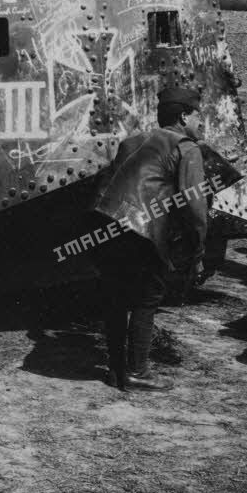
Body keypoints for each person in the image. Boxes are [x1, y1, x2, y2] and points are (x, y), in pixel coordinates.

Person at [93, 87, 209, 391]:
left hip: (105, 223)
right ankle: (138, 372)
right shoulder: (187, 148)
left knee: (117, 297)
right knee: (147, 298)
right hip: (141, 231)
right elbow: (194, 205)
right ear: (183, 117)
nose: (201, 122)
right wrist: (198, 249)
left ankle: (116, 370)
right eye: (197, 115)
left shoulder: (132, 140)